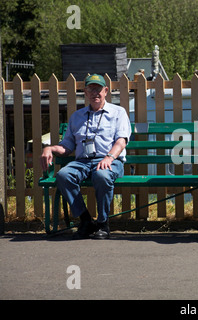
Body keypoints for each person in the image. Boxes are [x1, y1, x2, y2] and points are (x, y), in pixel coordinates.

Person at [40, 74, 131, 239]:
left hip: (110, 160)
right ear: (86, 93)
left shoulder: (118, 113)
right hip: (82, 161)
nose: (95, 93)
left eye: (98, 89)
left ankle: (103, 224)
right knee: (63, 175)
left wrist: (109, 157)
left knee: (102, 175)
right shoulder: (77, 116)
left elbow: (121, 141)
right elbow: (67, 146)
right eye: (91, 89)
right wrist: (49, 148)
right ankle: (86, 220)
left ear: (106, 91)